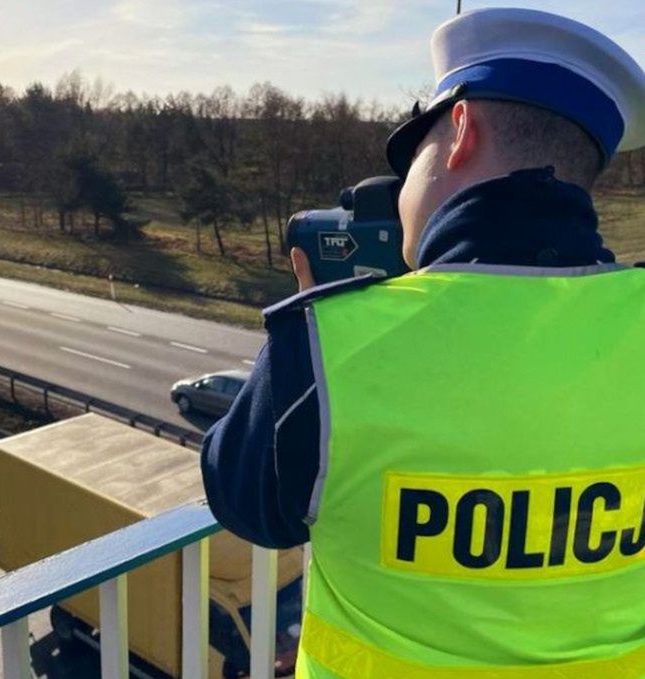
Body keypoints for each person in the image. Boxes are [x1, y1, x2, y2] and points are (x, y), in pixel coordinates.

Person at [201, 7, 645, 678]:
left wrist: (314, 326)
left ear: (461, 130)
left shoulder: (326, 343)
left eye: (409, 156)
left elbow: (245, 502)